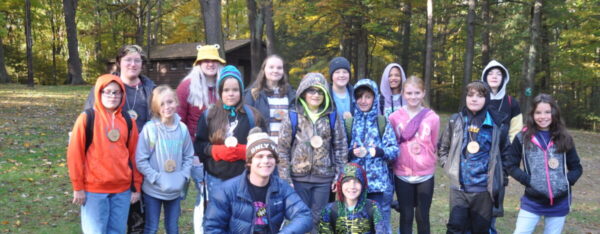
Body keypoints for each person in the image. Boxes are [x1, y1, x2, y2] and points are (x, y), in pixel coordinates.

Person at [83, 45, 156, 233]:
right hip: (111, 165)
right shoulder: (105, 88)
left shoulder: (151, 89)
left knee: (140, 215)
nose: (133, 64)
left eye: (137, 60)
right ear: (119, 63)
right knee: (110, 219)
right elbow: (88, 121)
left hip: (144, 160)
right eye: (128, 60)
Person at [68, 74, 142, 233]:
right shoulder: (87, 118)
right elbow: (75, 155)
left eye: (116, 92)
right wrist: (78, 187)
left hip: (122, 190)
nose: (112, 96)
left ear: (122, 94)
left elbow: (134, 155)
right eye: (107, 91)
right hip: (94, 189)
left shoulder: (129, 121)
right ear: (98, 93)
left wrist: (136, 186)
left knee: (117, 231)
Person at [203, 127, 313, 233]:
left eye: (270, 156)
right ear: (249, 161)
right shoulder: (225, 191)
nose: (266, 161)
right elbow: (212, 228)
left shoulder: (282, 188)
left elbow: (304, 216)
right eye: (259, 156)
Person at [277, 72, 348, 232]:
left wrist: (339, 175)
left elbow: (340, 146)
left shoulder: (332, 116)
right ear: (303, 92)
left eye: (320, 91)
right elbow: (282, 149)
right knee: (299, 218)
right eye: (311, 91)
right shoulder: (293, 116)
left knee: (319, 219)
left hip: (323, 178)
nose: (316, 95)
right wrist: (286, 179)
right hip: (298, 178)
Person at [504, 94, 583, 234]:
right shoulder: (522, 137)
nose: (543, 116)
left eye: (547, 112)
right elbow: (510, 165)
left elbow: (576, 167)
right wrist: (529, 181)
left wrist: (564, 182)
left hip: (560, 202)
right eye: (538, 112)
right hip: (532, 201)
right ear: (532, 114)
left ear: (554, 113)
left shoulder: (565, 137)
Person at [437, 81, 509, 233]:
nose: (474, 99)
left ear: (487, 99)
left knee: (480, 229)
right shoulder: (456, 120)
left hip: (484, 191)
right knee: (455, 228)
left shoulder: (497, 125)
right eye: (470, 95)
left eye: (479, 95)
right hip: (459, 189)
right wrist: (449, 167)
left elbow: (506, 155)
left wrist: (499, 178)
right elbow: (443, 148)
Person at [194, 65, 266, 202]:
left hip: (245, 177)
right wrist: (215, 150)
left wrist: (245, 151)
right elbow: (198, 145)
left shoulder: (253, 116)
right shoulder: (209, 116)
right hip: (216, 178)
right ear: (220, 91)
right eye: (226, 90)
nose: (230, 94)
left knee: (242, 217)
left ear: (241, 91)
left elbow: (264, 145)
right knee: (219, 217)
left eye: (235, 90)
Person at [175, 44, 225, 233]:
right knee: (205, 194)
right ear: (199, 63)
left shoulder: (224, 85)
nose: (210, 64)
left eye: (214, 61)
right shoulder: (186, 86)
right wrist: (192, 153)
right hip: (196, 152)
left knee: (218, 194)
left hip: (221, 152)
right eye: (206, 61)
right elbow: (179, 123)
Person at [135, 85, 194, 234]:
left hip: (175, 189)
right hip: (153, 189)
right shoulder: (150, 130)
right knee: (151, 227)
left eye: (170, 102)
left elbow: (188, 156)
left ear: (176, 102)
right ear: (155, 107)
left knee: (173, 228)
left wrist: (183, 176)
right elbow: (141, 160)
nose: (167, 107)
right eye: (162, 104)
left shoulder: (182, 129)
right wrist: (156, 178)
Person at [346, 78, 399, 233]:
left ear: (374, 98)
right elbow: (341, 152)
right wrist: (351, 152)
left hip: (378, 186)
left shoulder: (382, 122)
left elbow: (394, 151)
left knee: (380, 224)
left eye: (368, 97)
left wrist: (379, 152)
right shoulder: (350, 124)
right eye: (360, 97)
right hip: (354, 185)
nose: (363, 101)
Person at [389, 76, 440, 234]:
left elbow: (433, 144)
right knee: (406, 215)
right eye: (409, 93)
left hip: (425, 175)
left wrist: (427, 161)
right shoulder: (394, 118)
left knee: (422, 216)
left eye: (417, 93)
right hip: (402, 173)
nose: (413, 97)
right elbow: (392, 143)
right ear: (403, 94)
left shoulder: (432, 118)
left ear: (423, 93)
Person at [481, 60, 523, 233]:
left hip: (500, 160)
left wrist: (508, 159)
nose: (494, 76)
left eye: (498, 73)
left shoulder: (512, 103)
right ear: (485, 76)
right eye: (491, 73)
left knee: (493, 202)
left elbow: (516, 132)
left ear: (504, 78)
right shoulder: (477, 98)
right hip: (478, 158)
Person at [318, 163, 385, 233]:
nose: (352, 186)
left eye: (356, 182)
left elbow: (381, 231)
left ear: (363, 185)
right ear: (340, 185)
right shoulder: (329, 210)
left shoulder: (373, 207)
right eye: (347, 181)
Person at [244, 55, 296, 143]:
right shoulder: (253, 94)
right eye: (271, 67)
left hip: (287, 146)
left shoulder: (291, 94)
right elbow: (246, 122)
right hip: (263, 146)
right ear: (264, 69)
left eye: (279, 68)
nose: (275, 70)